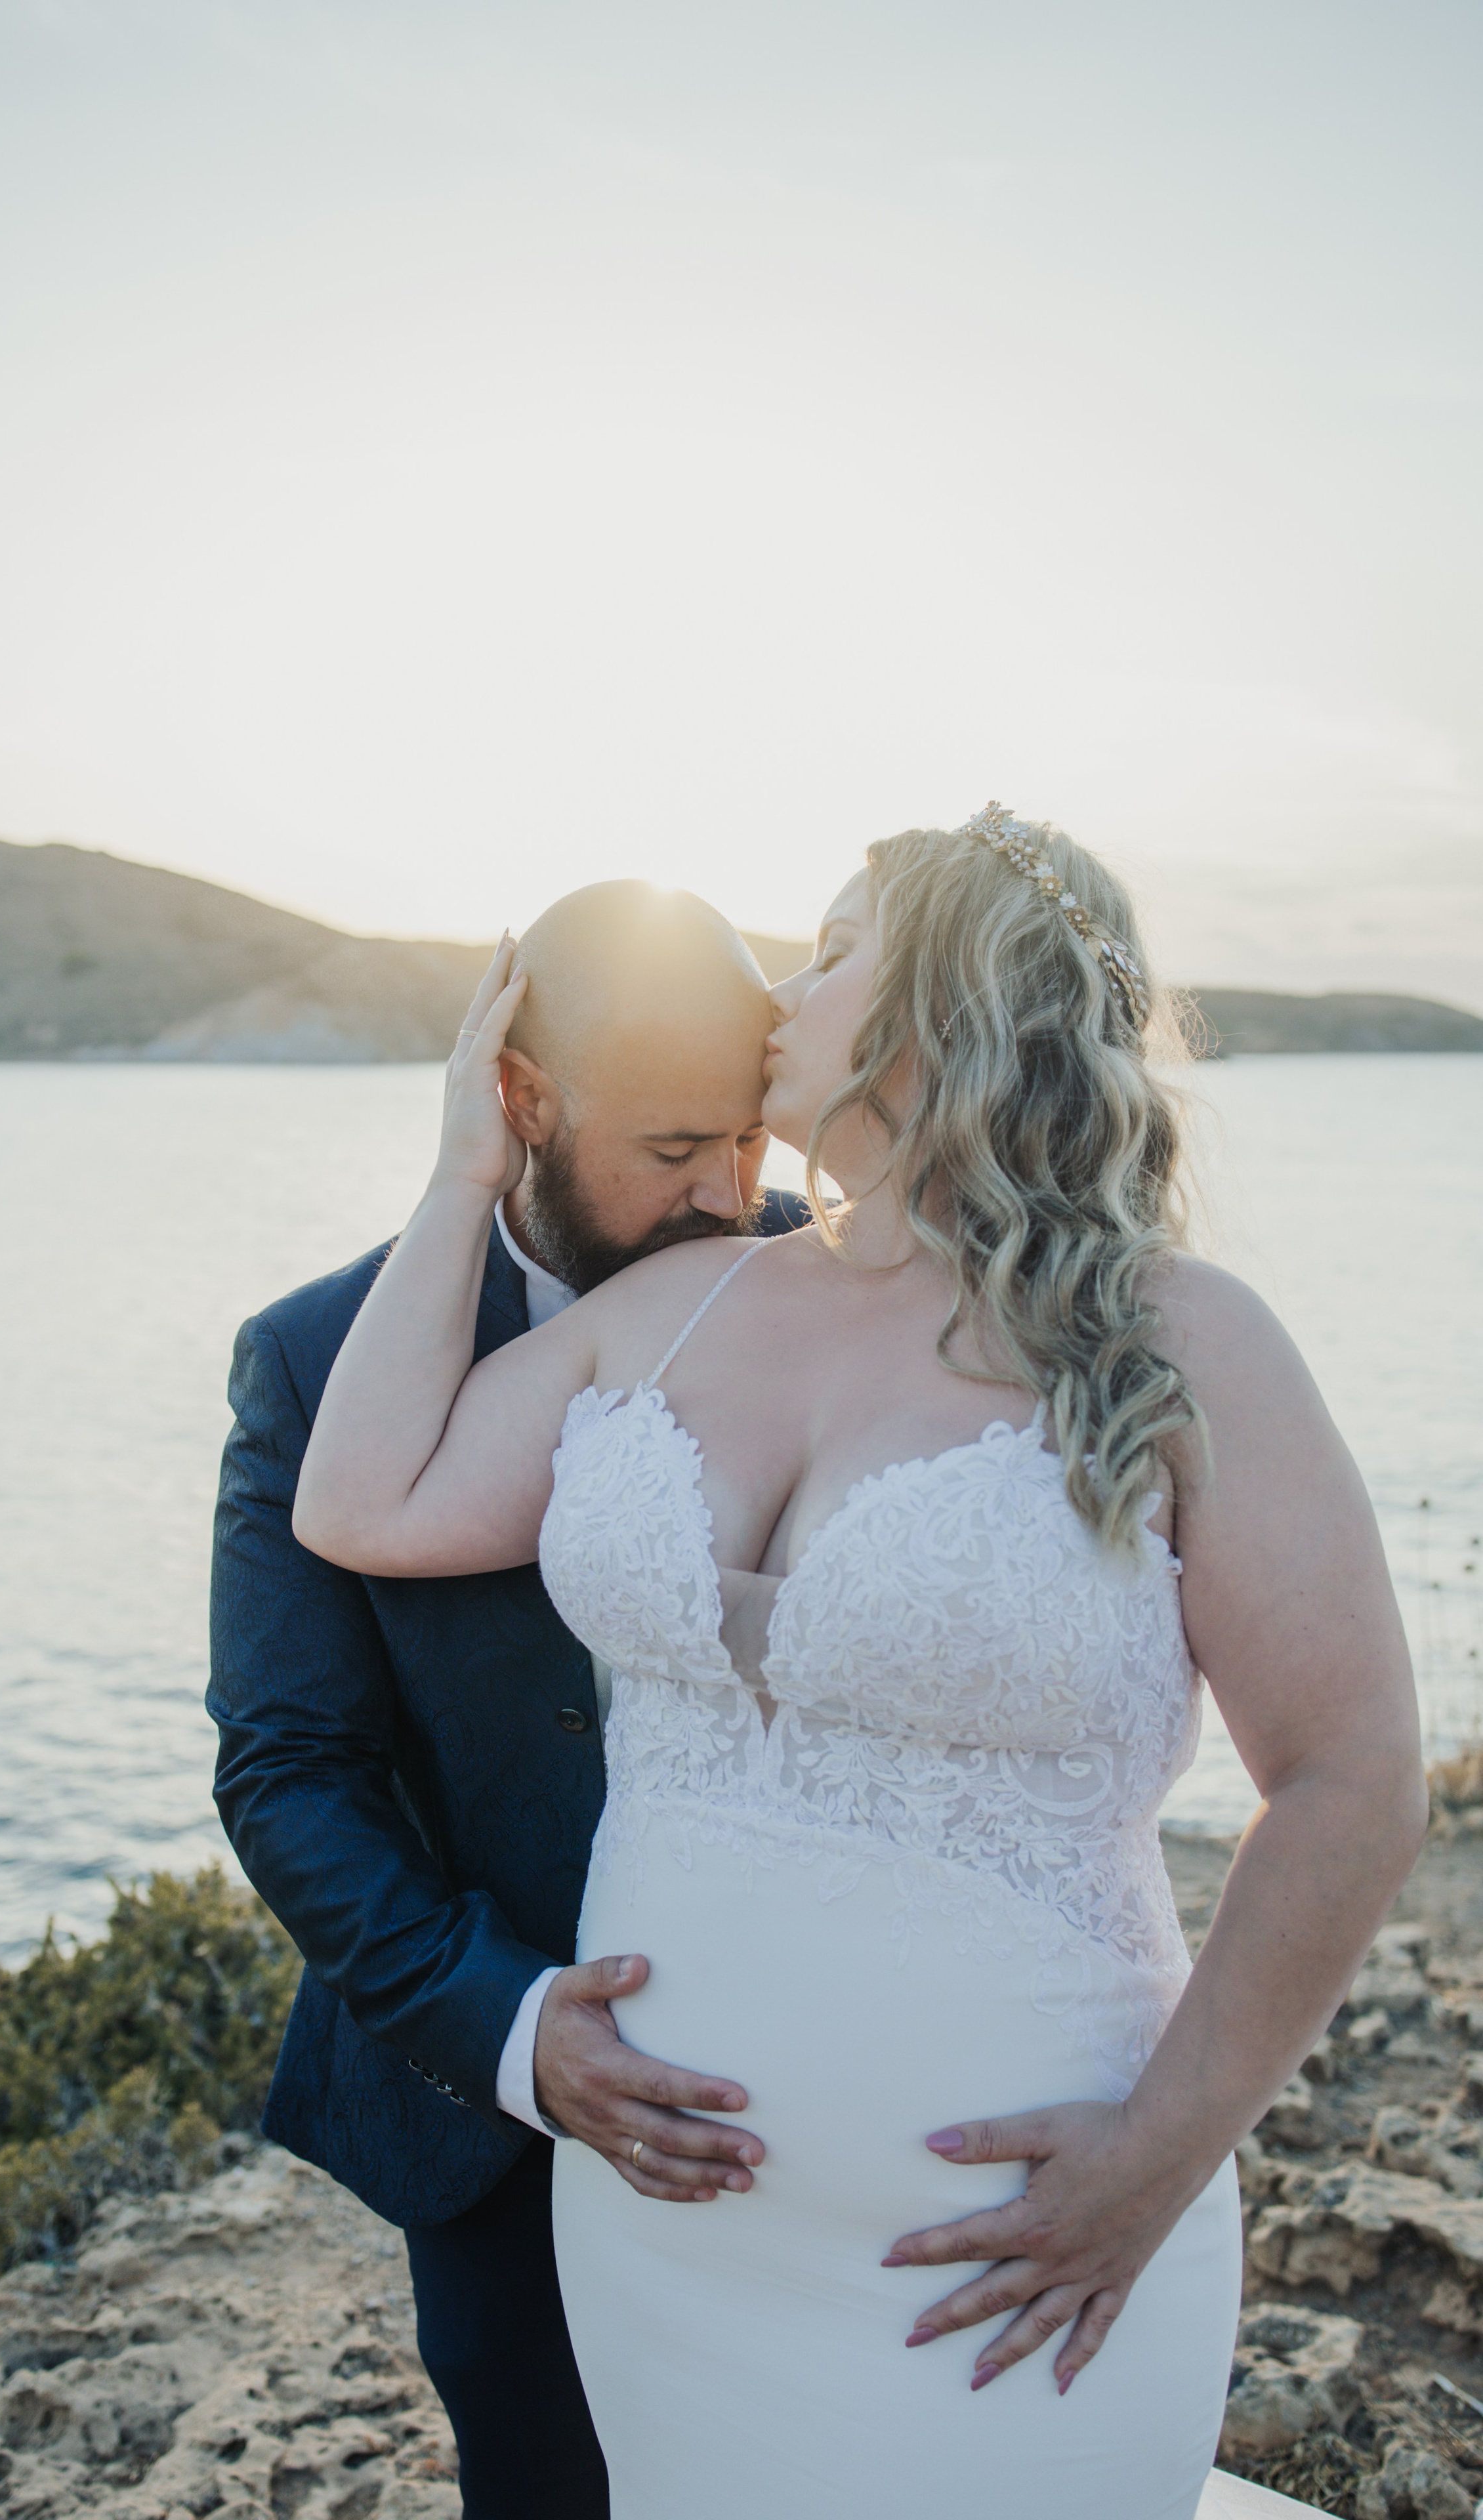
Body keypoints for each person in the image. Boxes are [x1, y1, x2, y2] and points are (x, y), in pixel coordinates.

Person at [291, 805, 1426, 2520]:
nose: (776, 993)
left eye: (828, 951)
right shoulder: (681, 1304)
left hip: (1020, 2268)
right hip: (670, 2255)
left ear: (942, 1008)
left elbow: (1350, 1777)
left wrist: (1165, 2150)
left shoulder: (1177, 1341)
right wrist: (466, 1170)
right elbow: (368, 1494)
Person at [207, 880, 806, 2520]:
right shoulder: (314, 1359)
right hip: (497, 2112)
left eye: (748, 1144)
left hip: (813, 2061)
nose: (728, 1195)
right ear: (522, 1103)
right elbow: (289, 1772)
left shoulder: (822, 1287)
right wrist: (522, 2035)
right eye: (673, 1149)